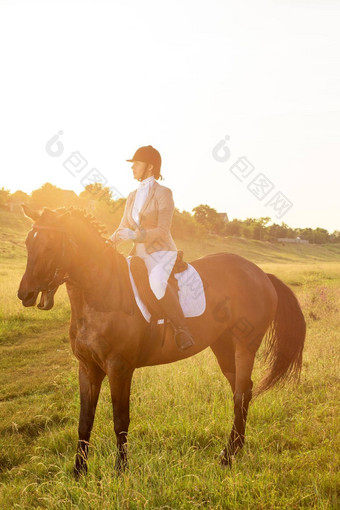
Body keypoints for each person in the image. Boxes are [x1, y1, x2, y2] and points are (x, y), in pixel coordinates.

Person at [110, 145, 195, 351]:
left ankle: (182, 329)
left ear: (149, 167)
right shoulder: (132, 195)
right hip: (138, 254)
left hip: (162, 252)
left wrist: (136, 235)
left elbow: (163, 229)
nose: (133, 168)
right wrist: (107, 242)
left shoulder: (164, 193)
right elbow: (122, 227)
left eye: (136, 164)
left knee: (157, 282)